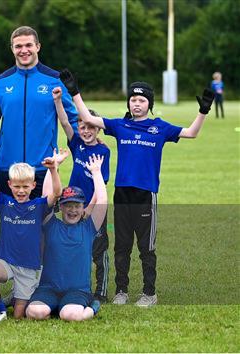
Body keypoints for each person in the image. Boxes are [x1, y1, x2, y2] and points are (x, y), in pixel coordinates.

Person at [60, 69, 215, 307]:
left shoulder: (160, 127)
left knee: (146, 247)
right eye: (133, 99)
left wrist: (203, 111)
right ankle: (121, 291)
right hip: (122, 193)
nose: (137, 104)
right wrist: (74, 92)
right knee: (122, 246)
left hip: (145, 194)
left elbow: (192, 133)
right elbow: (88, 119)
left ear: (149, 103)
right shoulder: (121, 125)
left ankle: (149, 293)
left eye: (142, 100)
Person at [0, 25, 78, 199]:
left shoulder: (55, 80)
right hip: (8, 166)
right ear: (12, 49)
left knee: (44, 222)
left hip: (44, 166)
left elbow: (72, 119)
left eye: (28, 45)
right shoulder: (0, 82)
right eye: (18, 46)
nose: (24, 50)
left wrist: (85, 144)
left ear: (38, 46)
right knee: (8, 222)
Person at [0, 149, 65, 324]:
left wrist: (54, 169)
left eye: (25, 186)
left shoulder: (39, 205)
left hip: (29, 267)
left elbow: (57, 193)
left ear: (33, 185)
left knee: (19, 315)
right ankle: (0, 311)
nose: (21, 191)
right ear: (9, 184)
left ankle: (19, 297)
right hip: (6, 261)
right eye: (17, 186)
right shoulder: (5, 204)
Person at [26, 155, 107, 322]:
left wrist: (96, 172)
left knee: (70, 315)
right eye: (68, 205)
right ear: (61, 206)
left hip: (77, 290)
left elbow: (102, 200)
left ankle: (92, 307)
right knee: (34, 313)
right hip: (49, 288)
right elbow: (47, 195)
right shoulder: (51, 224)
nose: (73, 210)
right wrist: (52, 168)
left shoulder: (88, 228)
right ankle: (57, 306)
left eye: (77, 206)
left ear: (83, 207)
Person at [53, 86, 111, 302]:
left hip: (94, 208)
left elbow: (100, 186)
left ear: (98, 130)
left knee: (99, 249)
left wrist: (90, 208)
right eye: (82, 127)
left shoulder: (103, 151)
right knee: (71, 247)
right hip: (71, 205)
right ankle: (72, 286)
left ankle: (102, 291)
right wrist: (58, 101)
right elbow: (65, 123)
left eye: (90, 128)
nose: (86, 131)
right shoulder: (77, 144)